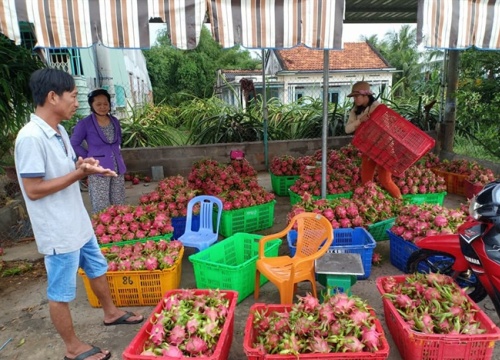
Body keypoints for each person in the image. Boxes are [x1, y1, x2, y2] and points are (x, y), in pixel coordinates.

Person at [14, 68, 143, 360]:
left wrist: (86, 166)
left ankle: (110, 313)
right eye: (72, 96)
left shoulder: (58, 131)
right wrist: (79, 175)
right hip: (58, 229)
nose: (76, 102)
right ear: (52, 97)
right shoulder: (31, 138)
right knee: (60, 290)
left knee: (97, 267)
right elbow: (33, 189)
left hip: (77, 220)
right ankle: (72, 348)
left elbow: (72, 167)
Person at [70, 88, 126, 214]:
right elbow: (74, 144)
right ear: (91, 105)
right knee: (101, 204)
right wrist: (89, 157)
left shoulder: (115, 121)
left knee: (119, 202)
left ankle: (120, 231)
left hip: (117, 167)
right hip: (98, 168)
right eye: (98, 104)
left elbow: (118, 141)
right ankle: (104, 232)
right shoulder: (85, 123)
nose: (103, 107)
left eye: (105, 104)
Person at [344, 81, 402, 199]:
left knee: (385, 180)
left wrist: (370, 120)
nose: (355, 99)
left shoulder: (379, 108)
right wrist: (360, 120)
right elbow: (347, 129)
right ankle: (368, 202)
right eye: (353, 97)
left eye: (357, 96)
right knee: (366, 180)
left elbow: (387, 129)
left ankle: (400, 203)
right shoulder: (355, 111)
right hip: (368, 148)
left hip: (384, 149)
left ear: (366, 95)